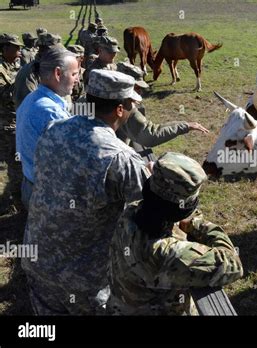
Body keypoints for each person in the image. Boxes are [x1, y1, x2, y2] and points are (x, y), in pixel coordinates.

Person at [22, 69, 152, 315]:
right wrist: (152, 173)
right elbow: (155, 204)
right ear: (120, 109)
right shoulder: (121, 157)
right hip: (84, 283)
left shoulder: (53, 129)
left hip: (37, 262)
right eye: (131, 104)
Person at [108, 152, 243, 315]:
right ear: (184, 211)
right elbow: (233, 265)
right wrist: (197, 225)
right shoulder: (170, 253)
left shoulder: (130, 212)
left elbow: (161, 208)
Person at [15, 48, 79, 209]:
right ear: (58, 73)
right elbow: (73, 160)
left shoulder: (32, 98)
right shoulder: (51, 112)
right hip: (49, 196)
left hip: (31, 185)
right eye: (74, 74)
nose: (77, 80)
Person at [115, 61, 209, 149]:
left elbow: (152, 129)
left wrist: (184, 124)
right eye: (137, 87)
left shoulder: (110, 98)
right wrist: (185, 126)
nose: (140, 91)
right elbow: (151, 135)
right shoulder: (124, 107)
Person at [13, 33, 62, 109]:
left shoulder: (50, 69)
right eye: (57, 52)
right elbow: (33, 106)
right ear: (44, 51)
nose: (60, 55)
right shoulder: (30, 72)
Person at [0, 33, 22, 128]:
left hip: (17, 119)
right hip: (5, 123)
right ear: (5, 48)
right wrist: (22, 81)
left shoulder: (16, 66)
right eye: (16, 47)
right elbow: (3, 95)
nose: (19, 50)